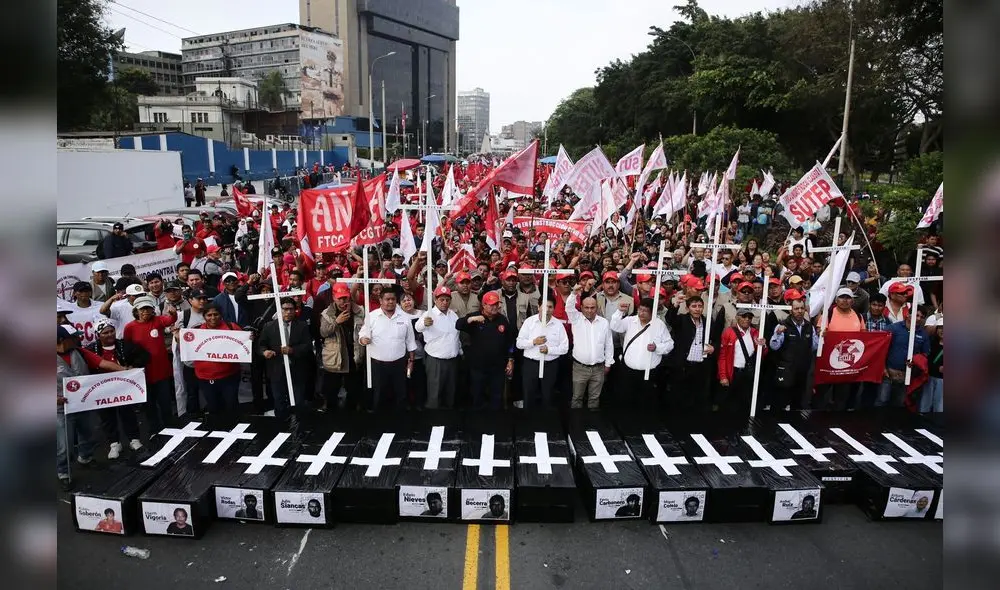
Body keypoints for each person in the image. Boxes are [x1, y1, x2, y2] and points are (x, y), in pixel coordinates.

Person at [57, 324, 124, 490]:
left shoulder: (79, 352)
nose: (78, 339)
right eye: (73, 338)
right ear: (61, 341)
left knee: (88, 432)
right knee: (64, 443)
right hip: (60, 408)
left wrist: (125, 371)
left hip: (82, 403)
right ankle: (63, 472)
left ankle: (85, 457)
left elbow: (102, 363)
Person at [87, 318, 148, 459]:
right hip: (103, 390)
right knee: (107, 417)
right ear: (98, 335)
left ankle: (134, 439)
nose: (109, 335)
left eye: (112, 331)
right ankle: (114, 443)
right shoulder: (91, 349)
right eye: (105, 332)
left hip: (123, 388)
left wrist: (134, 366)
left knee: (128, 413)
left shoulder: (125, 345)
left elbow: (144, 356)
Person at [123, 296, 177, 433]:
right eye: (142, 309)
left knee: (165, 403)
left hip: (162, 372)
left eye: (148, 308)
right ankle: (155, 431)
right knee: (149, 405)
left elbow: (171, 320)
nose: (146, 312)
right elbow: (127, 347)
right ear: (136, 311)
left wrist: (173, 313)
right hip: (143, 374)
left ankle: (170, 428)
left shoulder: (158, 321)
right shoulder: (129, 327)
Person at [610, 298, 675, 412]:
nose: (641, 313)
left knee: (646, 402)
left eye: (645, 311)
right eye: (640, 309)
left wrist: (657, 348)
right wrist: (619, 312)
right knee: (627, 400)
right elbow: (615, 326)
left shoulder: (659, 325)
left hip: (649, 373)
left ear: (652, 312)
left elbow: (670, 344)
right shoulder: (630, 321)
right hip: (628, 371)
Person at [359, 288, 417, 411]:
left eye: (393, 299)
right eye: (387, 299)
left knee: (400, 395)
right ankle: (379, 423)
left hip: (399, 364)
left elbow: (410, 341)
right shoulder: (372, 316)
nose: (390, 302)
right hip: (378, 365)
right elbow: (362, 334)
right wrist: (363, 339)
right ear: (380, 300)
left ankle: (400, 423)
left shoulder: (404, 317)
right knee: (379, 395)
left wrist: (411, 362)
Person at [456, 291, 515, 409]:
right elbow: (458, 325)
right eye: (491, 304)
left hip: (497, 367)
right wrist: (470, 319)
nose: (495, 307)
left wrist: (510, 359)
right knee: (477, 397)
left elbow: (510, 341)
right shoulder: (475, 316)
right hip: (478, 367)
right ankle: (477, 422)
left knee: (496, 397)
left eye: (496, 304)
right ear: (484, 305)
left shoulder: (502, 320)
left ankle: (495, 423)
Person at [259, 298, 314, 419]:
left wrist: (292, 350)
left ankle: (299, 430)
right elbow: (261, 345)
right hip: (276, 370)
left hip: (297, 370)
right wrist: (265, 352)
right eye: (285, 309)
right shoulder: (269, 326)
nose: (288, 312)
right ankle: (281, 427)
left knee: (298, 401)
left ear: (295, 310)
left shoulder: (302, 326)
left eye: (291, 309)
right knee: (279, 402)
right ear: (280, 310)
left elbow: (307, 346)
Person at [664, 296, 717, 413]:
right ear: (688, 308)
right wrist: (676, 304)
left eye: (700, 306)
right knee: (680, 394)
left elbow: (716, 339)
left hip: (700, 365)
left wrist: (713, 348)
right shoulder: (682, 320)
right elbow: (670, 319)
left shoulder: (708, 322)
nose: (697, 309)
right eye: (694, 306)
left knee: (697, 395)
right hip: (683, 365)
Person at [191, 302, 243, 422]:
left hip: (229, 376)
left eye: (216, 314)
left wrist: (249, 338)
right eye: (209, 315)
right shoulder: (197, 331)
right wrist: (179, 339)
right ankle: (218, 431)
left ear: (221, 315)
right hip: (205, 378)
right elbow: (188, 347)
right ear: (204, 316)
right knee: (213, 407)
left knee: (231, 405)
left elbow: (243, 343)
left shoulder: (232, 327)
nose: (213, 318)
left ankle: (234, 431)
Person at [516, 295, 570, 408]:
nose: (547, 309)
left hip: (550, 366)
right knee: (529, 396)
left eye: (550, 307)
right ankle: (528, 421)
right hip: (531, 364)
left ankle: (546, 422)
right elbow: (519, 343)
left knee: (548, 397)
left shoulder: (558, 325)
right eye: (544, 306)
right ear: (539, 307)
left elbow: (565, 348)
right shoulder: (529, 322)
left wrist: (549, 350)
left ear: (554, 308)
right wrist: (534, 342)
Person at [564, 287, 614, 408]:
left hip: (599, 368)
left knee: (594, 398)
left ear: (596, 308)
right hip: (580, 368)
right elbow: (569, 307)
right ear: (581, 308)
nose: (590, 310)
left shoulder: (604, 322)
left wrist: (608, 364)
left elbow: (608, 344)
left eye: (593, 307)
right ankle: (576, 424)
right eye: (586, 307)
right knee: (577, 398)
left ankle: (592, 424)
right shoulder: (576, 319)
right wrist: (573, 293)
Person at [319, 283, 366, 412]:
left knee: (354, 392)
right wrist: (336, 322)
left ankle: (350, 420)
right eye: (339, 298)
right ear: (334, 297)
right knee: (331, 393)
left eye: (345, 298)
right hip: (335, 358)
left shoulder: (360, 311)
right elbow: (323, 332)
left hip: (354, 357)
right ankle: (331, 419)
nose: (342, 301)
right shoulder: (327, 313)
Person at [768, 296, 818, 411]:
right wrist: (778, 333)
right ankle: (774, 426)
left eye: (801, 308)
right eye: (796, 308)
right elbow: (774, 346)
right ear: (791, 310)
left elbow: (814, 347)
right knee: (780, 402)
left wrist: (821, 337)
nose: (799, 311)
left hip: (802, 370)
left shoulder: (809, 326)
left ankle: (795, 426)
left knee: (798, 402)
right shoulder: (783, 325)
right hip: (786, 369)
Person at [415, 286, 461, 409]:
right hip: (436, 360)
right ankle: (433, 420)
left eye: (447, 299)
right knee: (435, 393)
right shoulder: (429, 314)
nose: (445, 302)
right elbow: (418, 327)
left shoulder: (453, 315)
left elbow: (456, 335)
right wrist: (424, 323)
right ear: (435, 300)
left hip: (452, 359)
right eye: (442, 299)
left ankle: (448, 421)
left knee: (450, 392)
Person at [717, 310, 766, 416]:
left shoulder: (755, 332)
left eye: (749, 317)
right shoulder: (728, 332)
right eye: (744, 316)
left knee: (746, 404)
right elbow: (722, 356)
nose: (747, 319)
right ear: (737, 317)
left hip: (748, 373)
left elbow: (762, 355)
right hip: (733, 373)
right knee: (730, 404)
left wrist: (763, 345)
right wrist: (723, 376)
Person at [884, 306, 929, 408]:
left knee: (899, 404)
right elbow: (882, 348)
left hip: (907, 376)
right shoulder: (893, 328)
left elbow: (925, 354)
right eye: (916, 315)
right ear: (908, 314)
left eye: (922, 317)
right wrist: (883, 368)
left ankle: (896, 424)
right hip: (888, 373)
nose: (918, 318)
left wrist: (917, 361)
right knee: (882, 400)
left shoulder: (924, 334)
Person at [921, 314, 943, 413]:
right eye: (940, 328)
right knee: (925, 404)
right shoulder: (931, 342)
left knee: (939, 406)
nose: (942, 331)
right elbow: (927, 360)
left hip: (943, 380)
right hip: (929, 377)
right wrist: (937, 368)